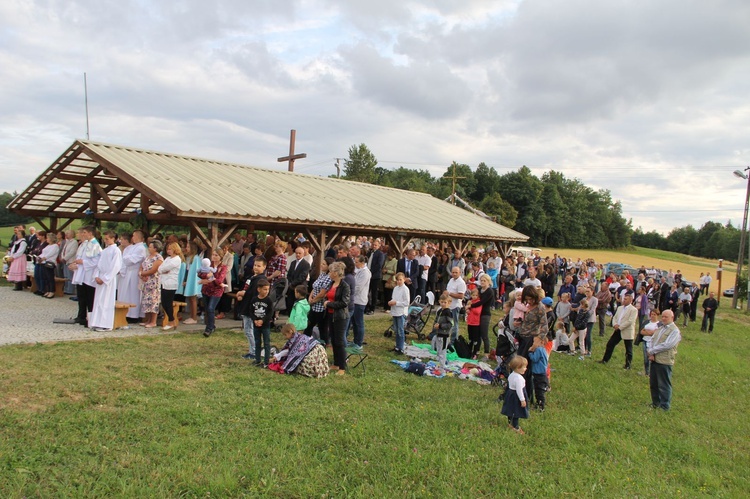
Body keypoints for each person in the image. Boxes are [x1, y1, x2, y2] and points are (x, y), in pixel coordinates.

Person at [643, 310, 682, 410]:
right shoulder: (660, 328)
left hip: (665, 361)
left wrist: (652, 351)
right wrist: (650, 351)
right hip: (654, 359)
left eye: (666, 317)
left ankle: (665, 406)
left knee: (664, 384)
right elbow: (651, 340)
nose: (663, 319)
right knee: (653, 383)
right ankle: (655, 403)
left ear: (672, 318)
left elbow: (668, 345)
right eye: (663, 317)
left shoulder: (675, 331)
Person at [517, 285, 548, 404]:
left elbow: (544, 325)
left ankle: (527, 395)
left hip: (531, 339)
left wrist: (538, 339)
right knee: (520, 365)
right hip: (523, 337)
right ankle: (524, 393)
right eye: (527, 299)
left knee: (524, 368)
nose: (529, 301)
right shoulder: (529, 306)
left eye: (531, 299)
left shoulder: (540, 307)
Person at [89, 231, 123, 331]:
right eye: (105, 238)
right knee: (99, 301)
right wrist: (96, 276)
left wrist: (104, 279)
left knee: (106, 301)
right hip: (101, 276)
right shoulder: (104, 250)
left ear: (113, 239)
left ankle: (105, 324)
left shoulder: (116, 251)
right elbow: (98, 265)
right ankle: (96, 322)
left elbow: (115, 267)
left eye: (108, 239)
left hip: (108, 279)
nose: (106, 240)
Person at [236, 256, 268, 359]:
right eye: (255, 265)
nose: (256, 267)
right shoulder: (252, 277)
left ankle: (254, 352)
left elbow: (252, 293)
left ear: (264, 267)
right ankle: (252, 350)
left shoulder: (261, 280)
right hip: (246, 306)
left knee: (249, 331)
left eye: (259, 266)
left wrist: (242, 293)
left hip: (252, 309)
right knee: (248, 330)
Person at [598, 293, 638, 369]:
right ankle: (605, 360)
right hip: (617, 330)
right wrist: (615, 324)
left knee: (628, 349)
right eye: (623, 298)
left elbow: (630, 321)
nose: (624, 300)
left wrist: (620, 327)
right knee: (610, 344)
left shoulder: (633, 310)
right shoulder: (620, 308)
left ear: (630, 300)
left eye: (626, 299)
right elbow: (615, 317)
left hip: (627, 331)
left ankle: (628, 365)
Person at [324, 261, 350, 374]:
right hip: (330, 315)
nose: (329, 273)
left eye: (330, 271)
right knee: (333, 340)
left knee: (339, 341)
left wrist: (329, 304)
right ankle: (336, 363)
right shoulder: (331, 283)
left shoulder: (345, 286)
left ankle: (342, 367)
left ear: (335, 273)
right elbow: (327, 296)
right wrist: (326, 302)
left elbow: (344, 302)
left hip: (340, 316)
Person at [76, 226, 102, 328]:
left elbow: (96, 261)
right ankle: (81, 315)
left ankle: (91, 318)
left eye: (85, 232)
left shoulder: (95, 245)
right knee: (81, 296)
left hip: (90, 274)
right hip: (82, 273)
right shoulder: (85, 244)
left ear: (90, 233)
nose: (83, 234)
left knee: (90, 297)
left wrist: (83, 262)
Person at [199, 248, 228, 337]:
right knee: (207, 308)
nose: (214, 257)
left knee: (211, 308)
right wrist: (206, 276)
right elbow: (200, 273)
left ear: (220, 257)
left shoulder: (223, 267)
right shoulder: (208, 264)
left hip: (216, 291)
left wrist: (209, 280)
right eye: (213, 255)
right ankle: (212, 325)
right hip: (206, 290)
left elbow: (220, 280)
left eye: (216, 255)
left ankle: (208, 328)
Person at [305, 257, 333, 341]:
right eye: (322, 263)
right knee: (308, 325)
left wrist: (313, 301)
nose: (321, 265)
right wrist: (310, 296)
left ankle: (323, 345)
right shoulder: (322, 274)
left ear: (329, 266)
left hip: (321, 307)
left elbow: (322, 293)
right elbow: (315, 286)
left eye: (324, 264)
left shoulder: (329, 277)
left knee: (322, 328)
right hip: (314, 305)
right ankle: (306, 342)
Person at [159, 242, 185, 331]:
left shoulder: (177, 259)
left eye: (170, 249)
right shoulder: (168, 258)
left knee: (168, 303)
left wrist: (163, 270)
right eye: (167, 249)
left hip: (171, 283)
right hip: (163, 282)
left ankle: (171, 321)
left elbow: (165, 268)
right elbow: (160, 268)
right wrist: (162, 270)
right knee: (163, 303)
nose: (168, 251)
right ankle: (171, 320)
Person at [501, 355, 529, 435]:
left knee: (510, 409)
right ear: (518, 368)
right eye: (524, 367)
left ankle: (510, 423)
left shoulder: (511, 375)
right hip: (516, 396)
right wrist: (522, 399)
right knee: (516, 412)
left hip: (510, 394)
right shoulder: (519, 379)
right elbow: (519, 390)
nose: (525, 369)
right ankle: (516, 426)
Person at [139, 240, 164, 328]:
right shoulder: (148, 257)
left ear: (155, 248)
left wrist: (143, 274)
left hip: (154, 283)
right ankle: (148, 320)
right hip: (146, 283)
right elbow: (142, 266)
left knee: (153, 301)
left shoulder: (158, 258)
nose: (148, 248)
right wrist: (141, 274)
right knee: (146, 301)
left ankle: (153, 321)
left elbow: (153, 270)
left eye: (150, 247)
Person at [250, 279, 274, 367]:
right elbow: (251, 311)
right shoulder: (254, 299)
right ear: (258, 289)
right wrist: (255, 320)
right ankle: (257, 359)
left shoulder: (269, 300)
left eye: (268, 289)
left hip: (265, 325)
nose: (267, 291)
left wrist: (262, 320)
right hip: (256, 325)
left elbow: (270, 313)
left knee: (266, 343)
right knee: (257, 342)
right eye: (264, 289)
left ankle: (266, 361)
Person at [350, 255, 371, 348]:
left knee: (359, 322)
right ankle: (355, 340)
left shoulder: (365, 272)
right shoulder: (357, 270)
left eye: (357, 262)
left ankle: (359, 342)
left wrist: (350, 293)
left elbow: (358, 286)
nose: (355, 264)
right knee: (354, 322)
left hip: (360, 300)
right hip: (354, 300)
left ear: (362, 263)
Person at [388, 272, 410, 355]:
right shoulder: (396, 288)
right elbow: (393, 298)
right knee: (396, 330)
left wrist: (396, 303)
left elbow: (406, 303)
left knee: (400, 330)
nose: (399, 281)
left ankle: (400, 347)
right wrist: (391, 302)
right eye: (397, 280)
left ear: (404, 280)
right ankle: (397, 346)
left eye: (400, 280)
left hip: (401, 312)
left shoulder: (405, 289)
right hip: (395, 311)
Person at [431, 293, 454, 368]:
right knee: (438, 349)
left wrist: (441, 326)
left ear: (449, 303)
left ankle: (442, 366)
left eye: (445, 302)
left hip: (444, 335)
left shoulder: (449, 312)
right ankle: (439, 362)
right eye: (442, 302)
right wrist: (435, 325)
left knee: (443, 351)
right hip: (438, 333)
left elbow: (450, 324)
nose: (443, 304)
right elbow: (436, 320)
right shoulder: (439, 310)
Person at [445, 267, 467, 343]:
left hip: (455, 305)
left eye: (456, 272)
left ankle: (453, 341)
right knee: (448, 322)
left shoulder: (461, 283)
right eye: (453, 272)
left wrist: (450, 294)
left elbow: (461, 296)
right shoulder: (451, 280)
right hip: (448, 305)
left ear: (459, 273)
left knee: (454, 324)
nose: (454, 274)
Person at [528, 335, 549, 411]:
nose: (533, 343)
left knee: (539, 390)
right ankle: (539, 404)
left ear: (541, 342)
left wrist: (530, 352)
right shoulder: (543, 350)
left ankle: (541, 406)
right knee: (538, 389)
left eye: (534, 342)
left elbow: (534, 359)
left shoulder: (539, 349)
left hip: (538, 373)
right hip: (542, 373)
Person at [638, 309, 660, 376]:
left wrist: (646, 331)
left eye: (654, 314)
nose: (652, 316)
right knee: (645, 358)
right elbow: (641, 331)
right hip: (645, 340)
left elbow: (655, 333)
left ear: (657, 315)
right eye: (651, 314)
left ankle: (651, 373)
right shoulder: (647, 322)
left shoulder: (659, 324)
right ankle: (646, 372)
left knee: (651, 357)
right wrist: (649, 332)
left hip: (653, 342)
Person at [365, 239, 385, 314]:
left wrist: (371, 271)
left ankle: (372, 308)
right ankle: (366, 306)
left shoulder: (380, 254)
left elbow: (379, 265)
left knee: (374, 292)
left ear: (379, 246)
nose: (374, 246)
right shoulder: (369, 253)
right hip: (368, 275)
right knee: (366, 291)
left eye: (376, 245)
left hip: (375, 276)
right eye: (373, 245)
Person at [38, 232, 60, 298]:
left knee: (50, 278)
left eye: (47, 238)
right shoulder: (48, 246)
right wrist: (39, 257)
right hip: (44, 262)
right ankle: (47, 290)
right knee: (46, 277)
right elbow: (43, 252)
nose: (46, 239)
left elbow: (50, 254)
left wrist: (44, 258)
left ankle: (52, 291)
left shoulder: (55, 246)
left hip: (50, 263)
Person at [477, 273, 495, 355]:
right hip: (477, 313)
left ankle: (486, 352)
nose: (482, 282)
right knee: (478, 333)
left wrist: (471, 306)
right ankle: (476, 351)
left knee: (484, 333)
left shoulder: (489, 291)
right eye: (481, 280)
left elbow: (481, 302)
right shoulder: (479, 289)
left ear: (488, 282)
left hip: (485, 314)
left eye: (484, 281)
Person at [465, 288, 482, 358]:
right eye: (473, 295)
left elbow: (477, 312)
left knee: (476, 339)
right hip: (470, 322)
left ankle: (475, 352)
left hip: (476, 323)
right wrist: (467, 310)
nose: (474, 297)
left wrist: (471, 307)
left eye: (476, 295)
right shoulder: (470, 301)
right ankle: (469, 351)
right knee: (470, 338)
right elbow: (467, 309)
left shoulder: (478, 302)